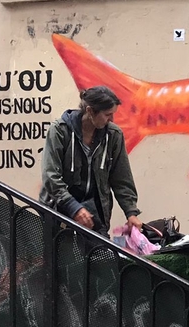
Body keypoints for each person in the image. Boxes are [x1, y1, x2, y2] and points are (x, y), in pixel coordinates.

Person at [40, 86, 142, 235]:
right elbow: (50, 176)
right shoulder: (60, 131)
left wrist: (131, 212)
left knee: (100, 256)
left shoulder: (113, 135)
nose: (111, 120)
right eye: (107, 114)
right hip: (59, 211)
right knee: (64, 256)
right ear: (90, 111)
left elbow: (121, 178)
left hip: (95, 214)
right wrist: (73, 207)